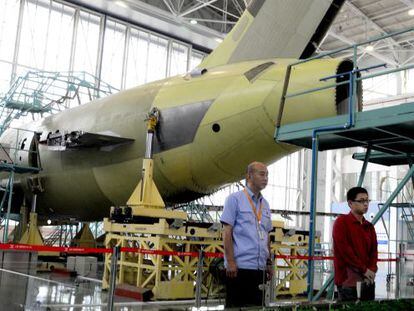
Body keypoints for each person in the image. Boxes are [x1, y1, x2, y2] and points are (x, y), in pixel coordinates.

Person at [220, 161, 273, 308]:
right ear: (249, 176)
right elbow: (227, 232)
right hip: (239, 269)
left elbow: (267, 235)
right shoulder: (234, 199)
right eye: (262, 174)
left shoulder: (266, 204)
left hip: (259, 270)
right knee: (236, 307)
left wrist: (269, 263)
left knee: (256, 308)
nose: (266, 178)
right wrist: (230, 262)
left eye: (267, 175)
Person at [333, 186, 378, 301]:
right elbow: (346, 252)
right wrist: (364, 270)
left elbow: (374, 252)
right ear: (350, 203)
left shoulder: (369, 226)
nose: (366, 204)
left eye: (367, 200)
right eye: (361, 201)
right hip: (348, 282)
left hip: (367, 280)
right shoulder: (341, 223)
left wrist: (372, 270)